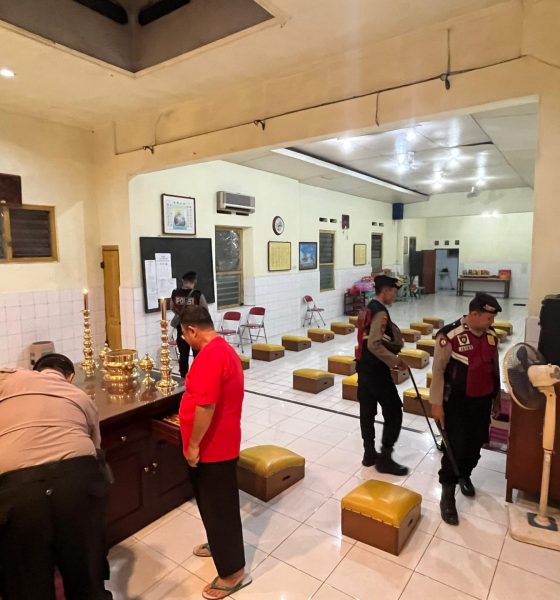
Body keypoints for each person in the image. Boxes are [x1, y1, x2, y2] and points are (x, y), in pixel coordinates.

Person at [0, 354, 112, 600]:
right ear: (69, 377)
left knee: (27, 582)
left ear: (35, 370)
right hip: (78, 481)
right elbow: (96, 448)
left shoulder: (9, 380)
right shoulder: (79, 396)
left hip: (18, 491)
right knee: (86, 576)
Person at [178, 306, 251, 600]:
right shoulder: (220, 349)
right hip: (218, 444)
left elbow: (206, 406)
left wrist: (194, 445)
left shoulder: (211, 355)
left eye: (184, 336)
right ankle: (219, 544)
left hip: (213, 448)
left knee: (220, 508)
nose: (185, 341)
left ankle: (233, 572)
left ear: (192, 330)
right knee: (213, 504)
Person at [430, 292, 502, 525]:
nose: (491, 322)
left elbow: (494, 368)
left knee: (476, 443)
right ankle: (448, 492)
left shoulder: (491, 336)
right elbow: (438, 371)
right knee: (455, 446)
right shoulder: (450, 335)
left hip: (482, 401)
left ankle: (465, 474)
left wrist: (497, 397)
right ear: (474, 314)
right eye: (488, 317)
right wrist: (436, 404)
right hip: (457, 403)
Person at [356, 275, 410, 475]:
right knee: (394, 410)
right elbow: (374, 344)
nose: (395, 296)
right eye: (393, 292)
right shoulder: (380, 312)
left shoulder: (368, 307)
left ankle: (369, 453)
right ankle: (385, 458)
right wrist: (396, 361)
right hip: (377, 370)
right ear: (385, 290)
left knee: (367, 411)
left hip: (363, 367)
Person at [171, 271, 208, 378]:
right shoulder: (197, 295)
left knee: (183, 355)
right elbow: (205, 310)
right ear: (195, 281)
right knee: (197, 355)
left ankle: (183, 377)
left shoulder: (175, 293)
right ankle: (197, 376)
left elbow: (172, 308)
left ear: (183, 281)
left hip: (182, 330)